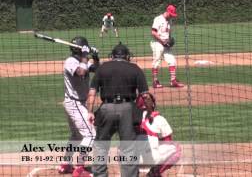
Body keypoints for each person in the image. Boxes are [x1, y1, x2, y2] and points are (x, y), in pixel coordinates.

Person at [87, 42, 149, 177]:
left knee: (101, 146)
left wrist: (90, 112)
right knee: (128, 147)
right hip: (128, 109)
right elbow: (145, 95)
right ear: (127, 56)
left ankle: (99, 175)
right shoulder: (135, 68)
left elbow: (92, 93)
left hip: (106, 109)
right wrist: (150, 112)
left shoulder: (102, 68)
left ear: (112, 56)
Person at [57, 36, 100, 177]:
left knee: (76, 135)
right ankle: (79, 169)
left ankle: (65, 164)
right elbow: (80, 71)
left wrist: (95, 56)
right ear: (81, 49)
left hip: (78, 103)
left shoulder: (83, 60)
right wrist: (85, 56)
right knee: (91, 134)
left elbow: (97, 69)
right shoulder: (70, 62)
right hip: (74, 103)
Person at [136, 93, 181, 177]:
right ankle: (155, 172)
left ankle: (132, 172)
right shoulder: (159, 119)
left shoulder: (129, 118)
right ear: (152, 104)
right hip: (150, 158)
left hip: (131, 158)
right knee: (176, 148)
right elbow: (168, 141)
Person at [150, 4, 184, 88]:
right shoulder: (158, 19)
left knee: (172, 60)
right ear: (167, 12)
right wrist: (162, 41)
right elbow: (153, 33)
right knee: (156, 62)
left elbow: (167, 34)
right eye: (171, 15)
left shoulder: (169, 21)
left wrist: (168, 41)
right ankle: (155, 81)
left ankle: (173, 81)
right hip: (157, 43)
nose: (172, 17)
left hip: (165, 45)